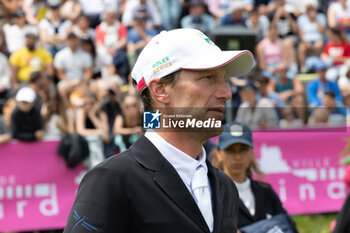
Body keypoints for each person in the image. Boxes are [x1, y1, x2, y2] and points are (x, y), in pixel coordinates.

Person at [63, 28, 254, 233]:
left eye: (224, 79)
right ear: (160, 90)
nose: (226, 93)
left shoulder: (225, 186)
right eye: (207, 77)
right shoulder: (111, 180)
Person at [212, 122, 298, 232]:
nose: (238, 157)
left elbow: (288, 225)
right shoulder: (213, 193)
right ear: (219, 154)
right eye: (230, 150)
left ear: (252, 153)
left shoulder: (265, 190)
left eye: (243, 149)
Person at [9, 26, 53, 91]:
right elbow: (13, 72)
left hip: (41, 82)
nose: (29, 40)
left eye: (31, 38)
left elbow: (50, 71)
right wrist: (14, 84)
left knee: (52, 88)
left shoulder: (44, 53)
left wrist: (46, 81)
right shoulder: (17, 53)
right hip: (24, 82)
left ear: (36, 39)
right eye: (27, 37)